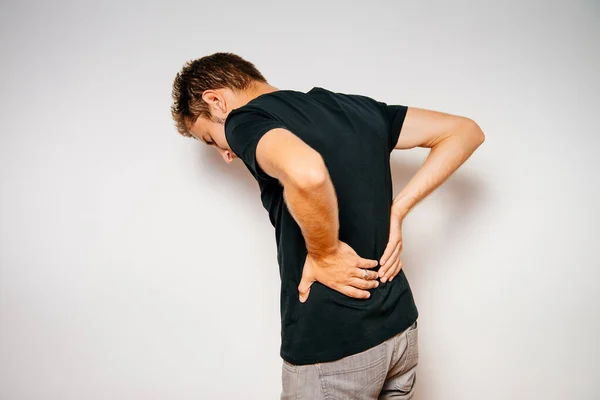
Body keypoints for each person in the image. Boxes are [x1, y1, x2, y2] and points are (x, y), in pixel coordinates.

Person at [170, 52, 485, 399]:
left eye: (212, 139)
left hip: (333, 348)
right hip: (400, 331)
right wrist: (399, 209)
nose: (226, 153)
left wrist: (325, 252)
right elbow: (464, 131)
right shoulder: (352, 107)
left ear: (216, 100)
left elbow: (307, 172)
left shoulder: (244, 120)